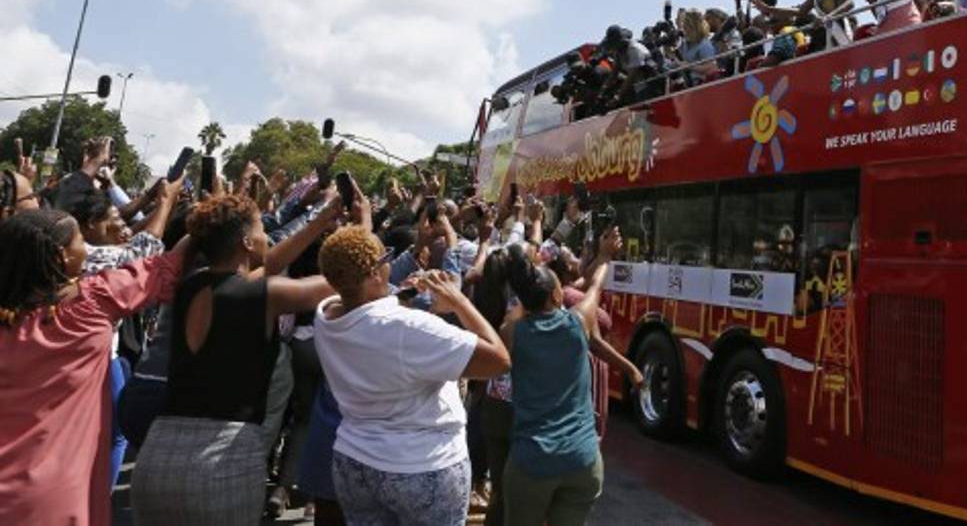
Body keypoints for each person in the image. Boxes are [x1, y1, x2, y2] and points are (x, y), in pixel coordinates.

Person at [130, 193, 337, 525]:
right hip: (221, 462)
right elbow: (341, 282)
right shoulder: (266, 295)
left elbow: (263, 267)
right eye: (260, 230)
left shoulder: (189, 285)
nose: (266, 237)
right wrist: (362, 231)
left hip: (157, 456)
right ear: (245, 241)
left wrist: (323, 220)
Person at [311, 226, 510, 526]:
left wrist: (405, 294)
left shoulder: (327, 317)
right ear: (376, 273)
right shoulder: (407, 328)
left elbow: (369, 314)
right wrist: (458, 301)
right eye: (385, 258)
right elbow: (498, 360)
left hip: (355, 463)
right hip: (422, 467)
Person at [0, 209, 186, 525]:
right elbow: (166, 266)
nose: (87, 249)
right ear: (62, 257)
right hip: (57, 497)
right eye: (80, 241)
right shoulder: (93, 303)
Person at [500, 227, 622, 526]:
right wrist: (605, 255)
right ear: (558, 295)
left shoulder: (512, 333)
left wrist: (522, 298)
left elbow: (510, 321)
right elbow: (595, 287)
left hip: (531, 463)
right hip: (583, 460)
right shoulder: (578, 322)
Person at [677, 9, 719, 85]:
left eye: (685, 24)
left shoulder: (704, 44)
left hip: (702, 84)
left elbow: (711, 67)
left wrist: (690, 66)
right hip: (687, 84)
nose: (683, 27)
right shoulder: (685, 44)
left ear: (693, 25)